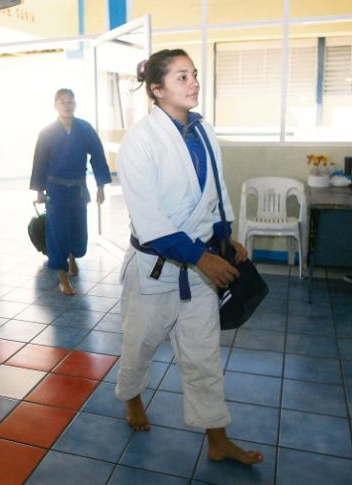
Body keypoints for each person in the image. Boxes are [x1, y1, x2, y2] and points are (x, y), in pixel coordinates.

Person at [114, 49, 264, 465]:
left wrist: (224, 235)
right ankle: (131, 397)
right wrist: (200, 257)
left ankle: (217, 438)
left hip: (200, 268)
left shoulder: (202, 130)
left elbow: (214, 190)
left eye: (194, 74)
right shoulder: (140, 141)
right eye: (182, 77)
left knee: (203, 355)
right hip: (155, 269)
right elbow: (149, 220)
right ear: (158, 90)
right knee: (140, 345)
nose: (194, 82)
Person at [29, 89, 112, 295]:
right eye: (62, 102)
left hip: (78, 189)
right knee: (57, 233)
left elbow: (98, 156)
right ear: (55, 106)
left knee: (78, 233)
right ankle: (62, 277)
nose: (67, 105)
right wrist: (40, 190)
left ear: (75, 104)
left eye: (70, 101)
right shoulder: (47, 132)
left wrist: (101, 186)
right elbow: (39, 162)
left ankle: (73, 257)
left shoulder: (85, 129)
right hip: (55, 191)